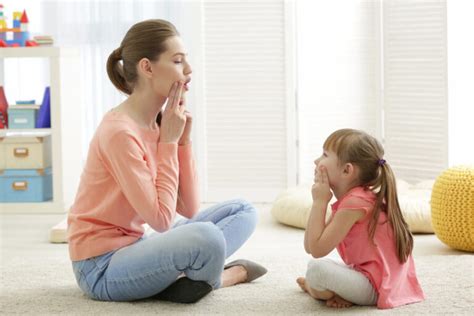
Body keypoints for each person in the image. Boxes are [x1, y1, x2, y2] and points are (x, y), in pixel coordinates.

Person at [67, 19, 266, 304]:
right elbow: (161, 221)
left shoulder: (159, 123)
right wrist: (170, 143)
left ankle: (184, 277)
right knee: (206, 238)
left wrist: (181, 142)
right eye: (177, 60)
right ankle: (221, 278)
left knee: (244, 211)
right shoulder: (119, 133)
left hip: (138, 243)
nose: (189, 69)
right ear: (147, 67)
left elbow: (188, 207)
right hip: (101, 266)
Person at [296, 128, 425, 309]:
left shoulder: (355, 203)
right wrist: (320, 200)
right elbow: (310, 245)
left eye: (324, 155)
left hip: (376, 286)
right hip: (369, 274)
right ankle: (340, 291)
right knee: (319, 265)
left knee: (316, 270)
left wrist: (319, 202)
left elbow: (317, 249)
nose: (316, 161)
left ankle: (322, 290)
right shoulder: (353, 198)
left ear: (347, 170)